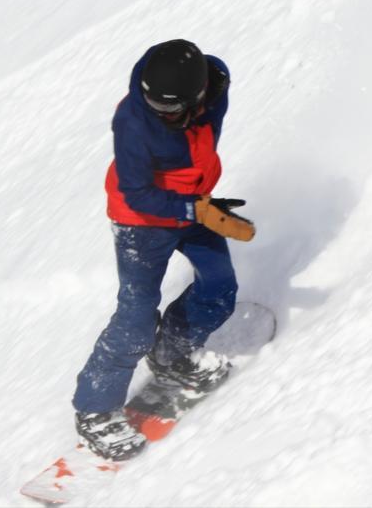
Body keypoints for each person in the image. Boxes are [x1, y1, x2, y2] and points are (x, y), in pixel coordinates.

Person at [72, 39, 255, 461]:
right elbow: (136, 194)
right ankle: (94, 410)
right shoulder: (134, 122)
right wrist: (197, 209)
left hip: (193, 208)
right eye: (153, 101)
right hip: (142, 223)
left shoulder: (214, 88)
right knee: (135, 317)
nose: (159, 111)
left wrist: (199, 206)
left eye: (170, 108)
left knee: (219, 287)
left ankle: (172, 355)